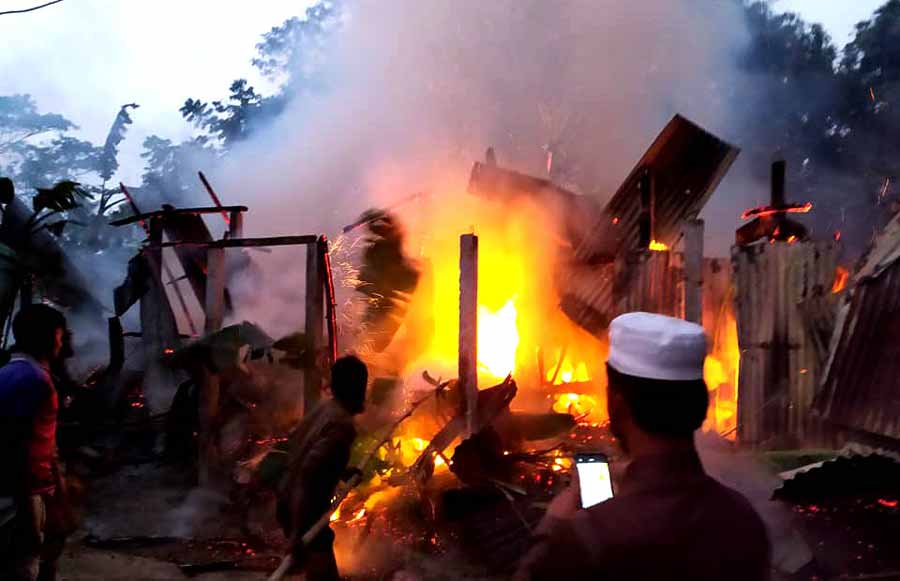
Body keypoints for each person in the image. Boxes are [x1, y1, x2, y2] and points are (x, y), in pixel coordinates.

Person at [516, 312, 770, 581]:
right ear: (700, 405)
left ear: (616, 403)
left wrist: (553, 524)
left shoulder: (589, 537)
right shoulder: (743, 521)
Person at [277, 355, 368, 580]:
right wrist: (297, 533)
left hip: (290, 502)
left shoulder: (326, 409)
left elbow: (308, 455)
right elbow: (307, 476)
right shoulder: (342, 426)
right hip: (304, 512)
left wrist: (342, 472)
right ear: (357, 388)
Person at [0, 304, 72, 581]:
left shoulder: (8, 372)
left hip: (18, 490)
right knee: (22, 566)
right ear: (48, 336)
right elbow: (16, 445)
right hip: (21, 493)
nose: (61, 343)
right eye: (59, 335)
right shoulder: (34, 380)